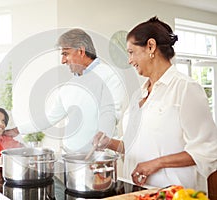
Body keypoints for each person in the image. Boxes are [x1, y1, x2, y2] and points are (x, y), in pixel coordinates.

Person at [93, 16, 217, 190]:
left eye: (131, 52)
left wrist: (156, 164)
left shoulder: (185, 88)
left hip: (171, 192)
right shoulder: (139, 94)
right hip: (135, 191)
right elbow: (137, 143)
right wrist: (109, 142)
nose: (129, 60)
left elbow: (207, 150)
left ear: (150, 46)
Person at [13, 28, 126, 153]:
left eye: (66, 54)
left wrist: (100, 146)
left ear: (81, 51)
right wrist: (17, 130)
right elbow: (50, 118)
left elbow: (110, 114)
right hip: (70, 157)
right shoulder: (68, 87)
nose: (63, 61)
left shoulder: (109, 75)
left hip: (98, 159)